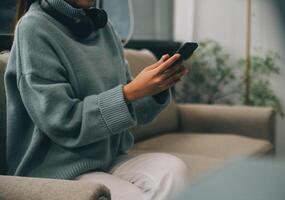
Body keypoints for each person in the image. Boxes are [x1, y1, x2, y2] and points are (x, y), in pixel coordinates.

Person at [4, 0, 189, 199]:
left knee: (172, 169)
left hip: (108, 159)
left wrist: (154, 89)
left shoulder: (103, 28)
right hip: (56, 169)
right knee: (130, 195)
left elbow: (132, 111)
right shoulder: (34, 27)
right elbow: (62, 122)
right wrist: (130, 92)